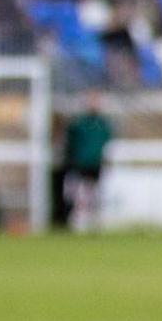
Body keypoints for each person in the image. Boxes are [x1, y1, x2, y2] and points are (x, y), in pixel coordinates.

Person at [52, 92, 112, 233]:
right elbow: (69, 143)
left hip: (95, 164)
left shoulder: (103, 125)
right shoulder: (79, 125)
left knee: (94, 194)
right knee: (78, 194)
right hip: (79, 164)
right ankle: (77, 222)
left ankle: (94, 223)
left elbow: (105, 143)